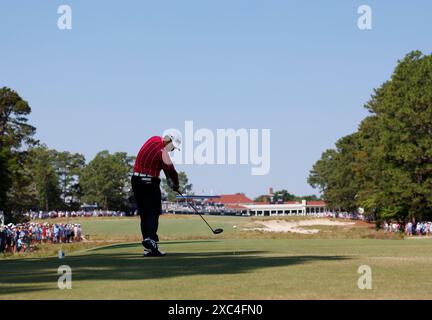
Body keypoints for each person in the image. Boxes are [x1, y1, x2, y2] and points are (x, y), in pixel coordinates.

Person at [132, 134, 180, 257]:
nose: (173, 150)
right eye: (173, 147)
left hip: (136, 180)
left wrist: (168, 179)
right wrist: (175, 184)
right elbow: (171, 170)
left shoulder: (153, 139)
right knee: (153, 213)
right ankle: (151, 241)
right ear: (169, 142)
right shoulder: (163, 153)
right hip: (149, 183)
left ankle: (148, 247)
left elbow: (163, 167)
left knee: (144, 214)